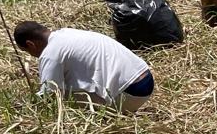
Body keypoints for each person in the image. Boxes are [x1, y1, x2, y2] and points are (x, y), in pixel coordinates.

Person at [13, 22, 156, 113]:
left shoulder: (50, 53)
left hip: (130, 93)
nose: (32, 56)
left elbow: (50, 94)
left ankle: (113, 110)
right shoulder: (67, 33)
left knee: (64, 97)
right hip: (146, 79)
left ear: (31, 44)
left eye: (27, 51)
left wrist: (27, 106)